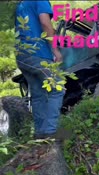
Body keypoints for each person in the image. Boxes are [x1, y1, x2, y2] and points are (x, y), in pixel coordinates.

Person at [15, 1, 65, 139]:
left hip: (22, 55)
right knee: (58, 88)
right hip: (37, 54)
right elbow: (45, 23)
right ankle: (50, 132)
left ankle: (40, 134)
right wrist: (55, 50)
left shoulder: (22, 4)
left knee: (38, 95)